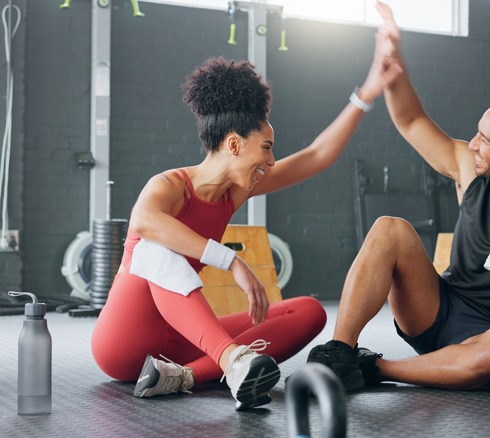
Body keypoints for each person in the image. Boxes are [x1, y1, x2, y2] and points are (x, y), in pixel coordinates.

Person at [305, 1, 490, 391]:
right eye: (477, 131)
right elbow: (412, 121)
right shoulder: (469, 165)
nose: (473, 143)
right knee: (389, 228)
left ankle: (374, 369)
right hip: (438, 308)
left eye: (486, 140)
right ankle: (340, 354)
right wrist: (393, 59)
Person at [92, 54, 401, 410]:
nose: (271, 161)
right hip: (122, 341)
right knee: (157, 246)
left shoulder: (233, 192)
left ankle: (184, 376)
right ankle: (230, 361)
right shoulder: (168, 185)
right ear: (234, 144)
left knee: (309, 311)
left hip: (175, 344)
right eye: (266, 148)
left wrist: (366, 95)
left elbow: (316, 156)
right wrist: (233, 262)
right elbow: (145, 222)